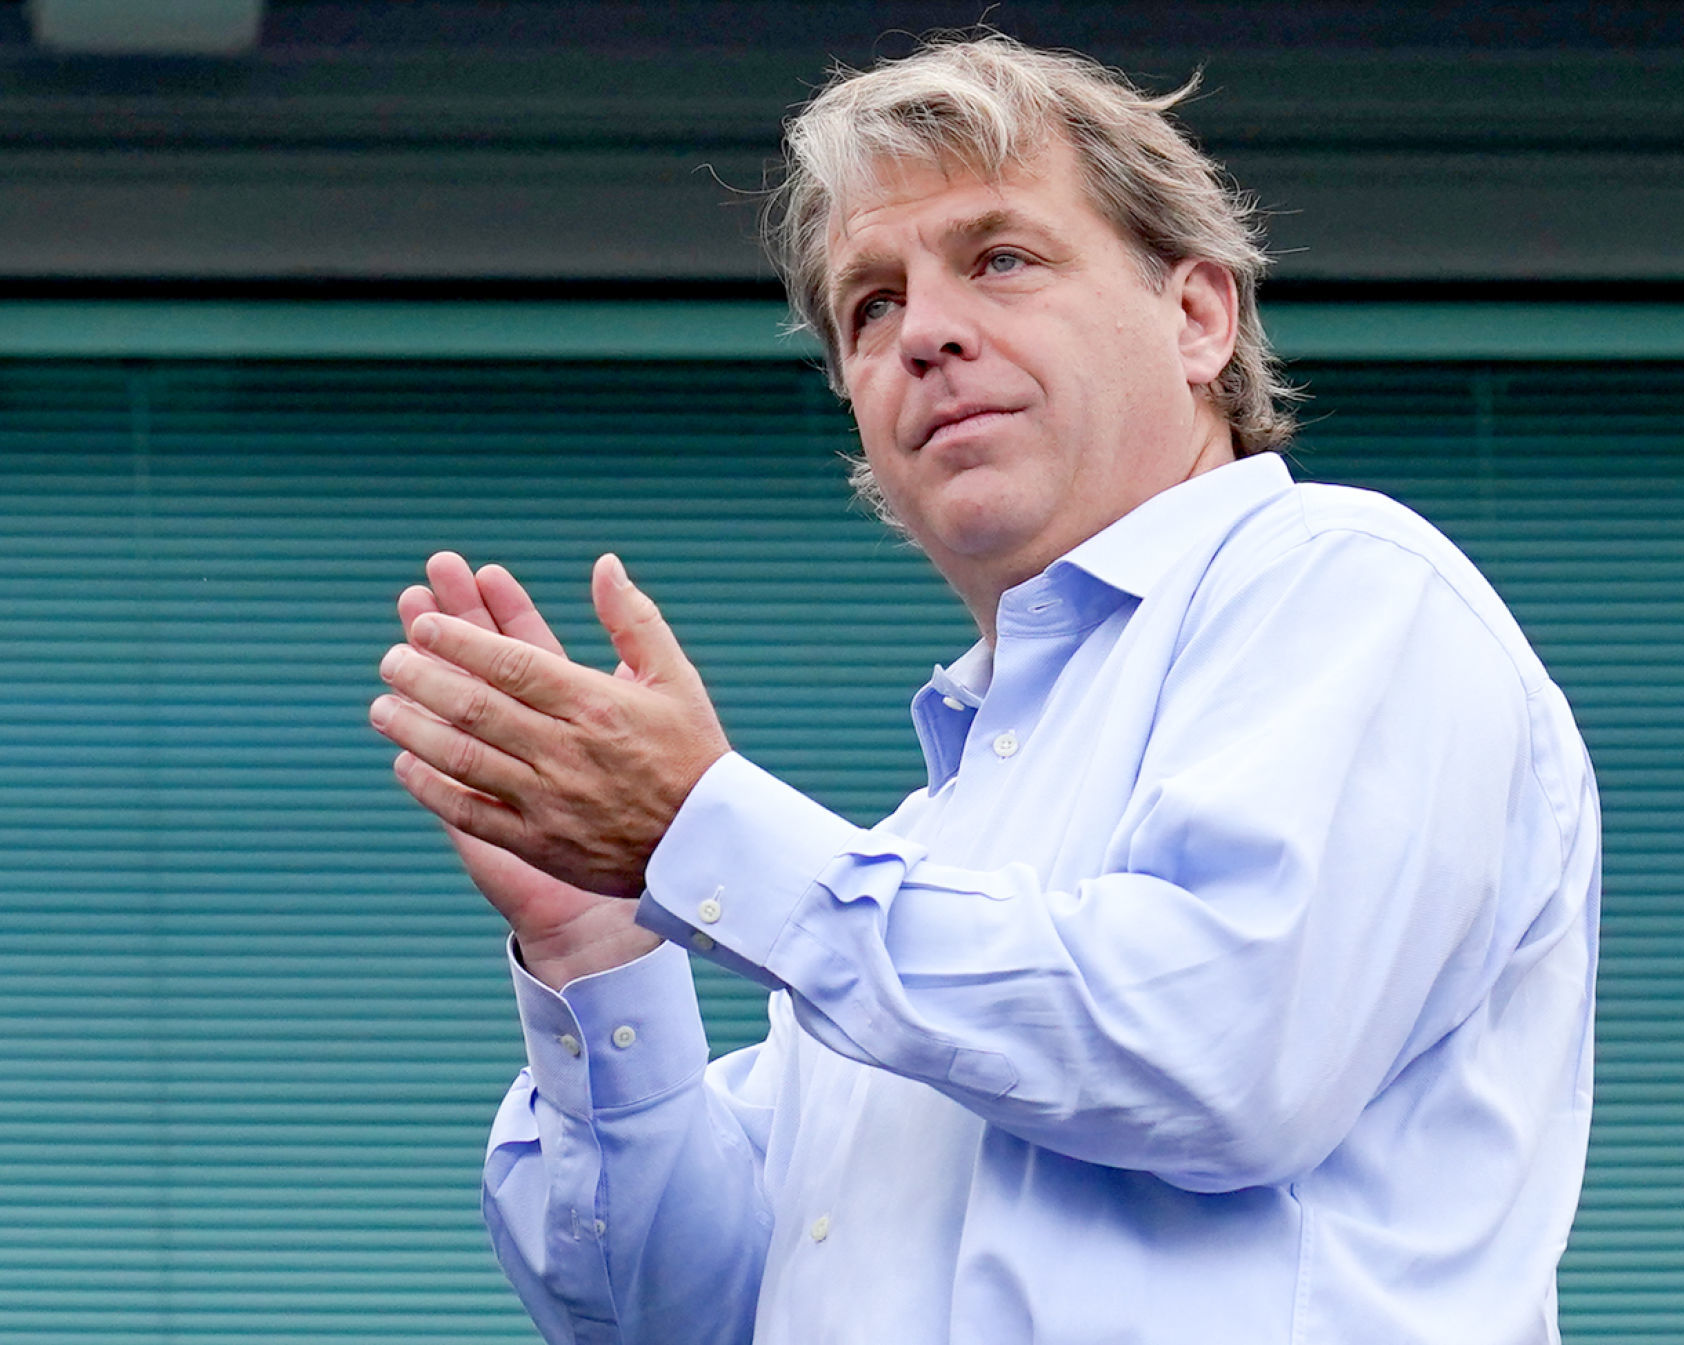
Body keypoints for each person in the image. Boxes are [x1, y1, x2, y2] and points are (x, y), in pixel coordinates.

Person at [369, 34, 1600, 1345]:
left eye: (1001, 258)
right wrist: (600, 949)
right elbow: (678, 1317)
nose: (925, 334)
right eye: (870, 305)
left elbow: (1228, 1050)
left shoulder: (1346, 585)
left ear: (1197, 317)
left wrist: (703, 831)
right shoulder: (916, 862)